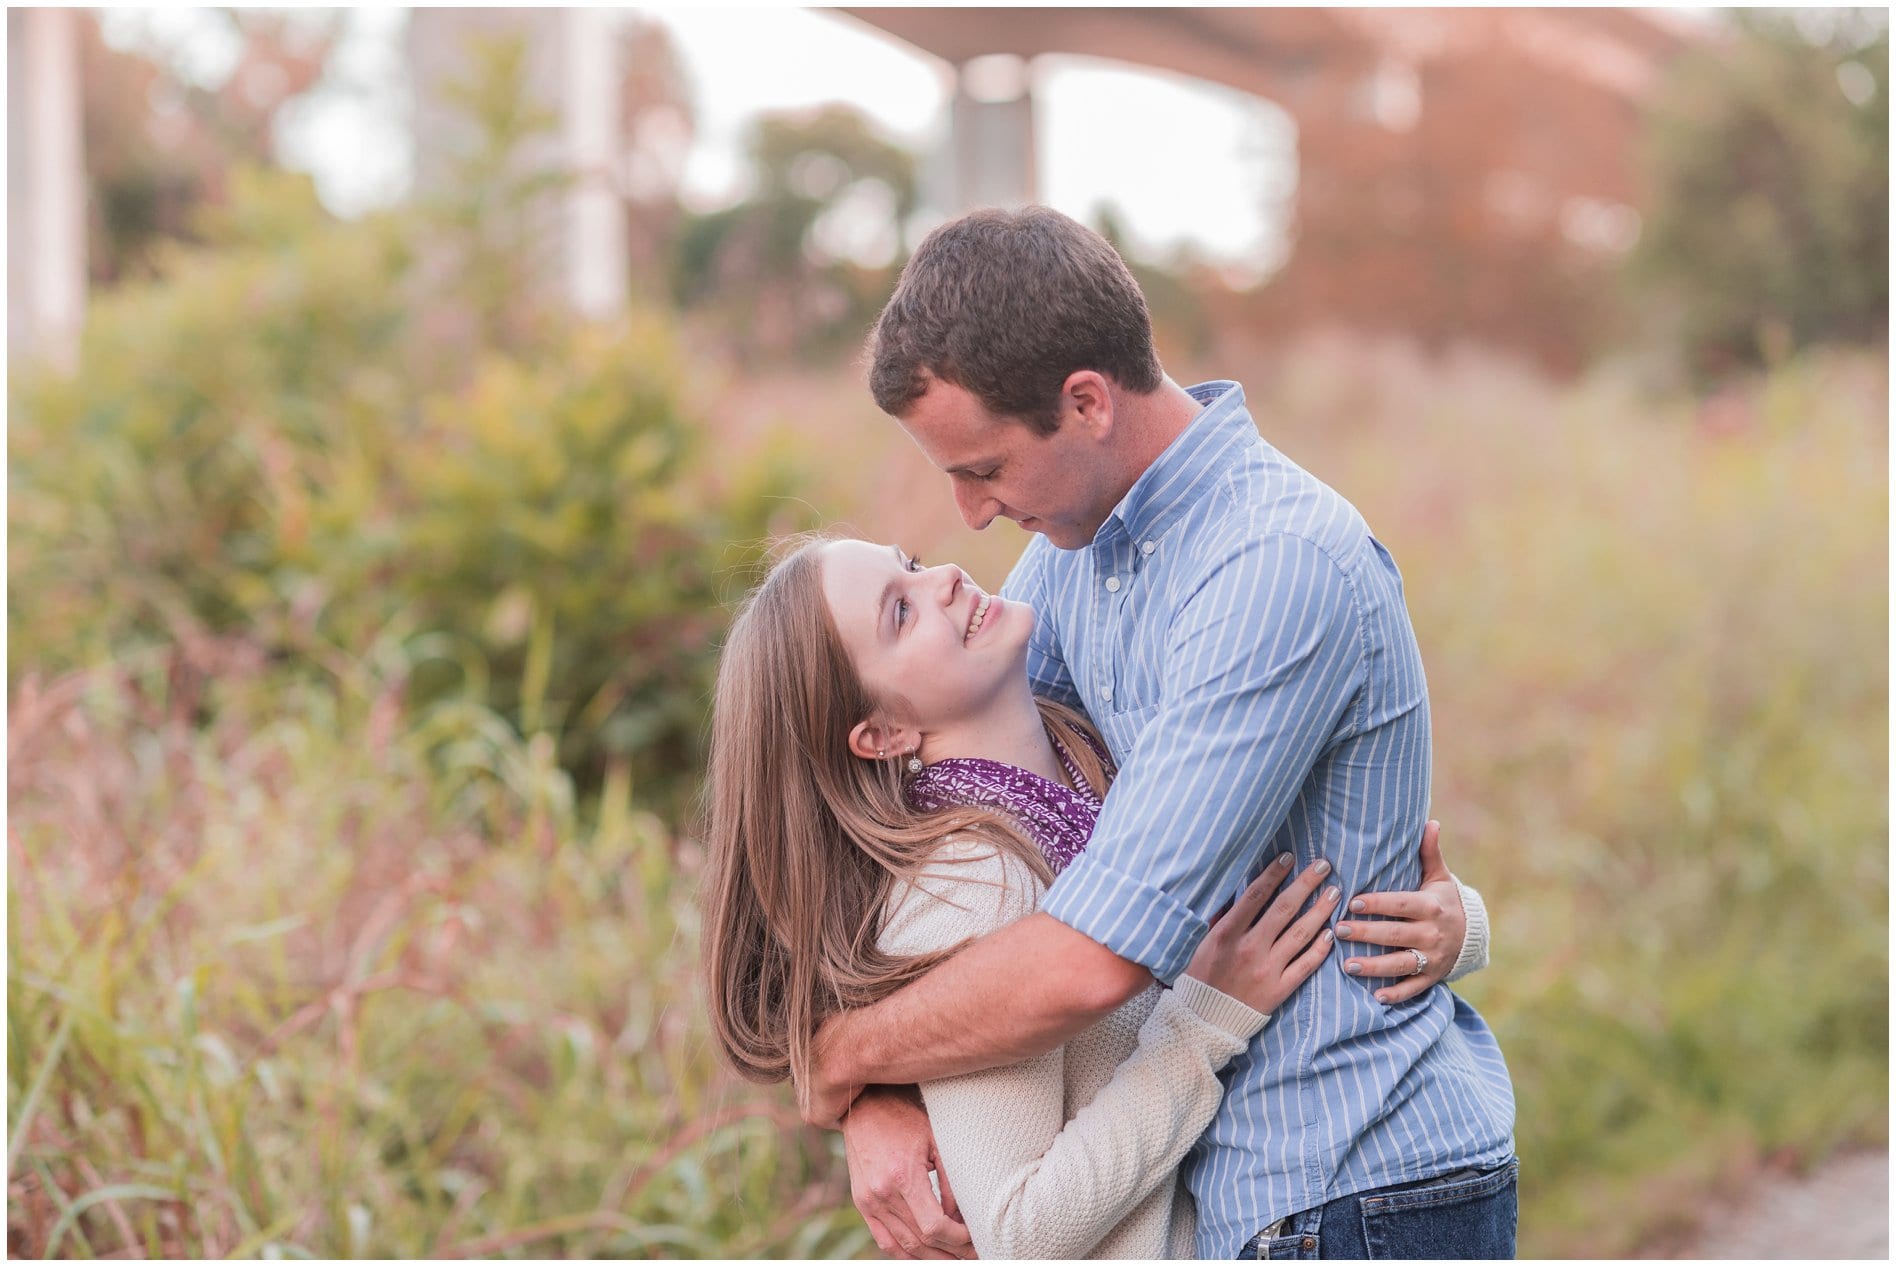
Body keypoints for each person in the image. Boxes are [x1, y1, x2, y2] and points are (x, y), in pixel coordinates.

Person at [798, 206, 1518, 1261]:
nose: (969, 517)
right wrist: (879, 1097)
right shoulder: (1069, 560)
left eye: (986, 467)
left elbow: (1089, 960)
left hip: (1350, 1188)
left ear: (1085, 401)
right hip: (1227, 1198)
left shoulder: (1273, 564)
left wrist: (845, 1054)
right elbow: (976, 800)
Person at [701, 534, 1493, 1258]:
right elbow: (1018, 1230)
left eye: (909, 562)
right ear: (881, 735)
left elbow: (1270, 891)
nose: (941, 576)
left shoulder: (1101, 763)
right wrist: (1202, 1025)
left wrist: (1459, 925)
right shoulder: (969, 881)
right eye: (900, 612)